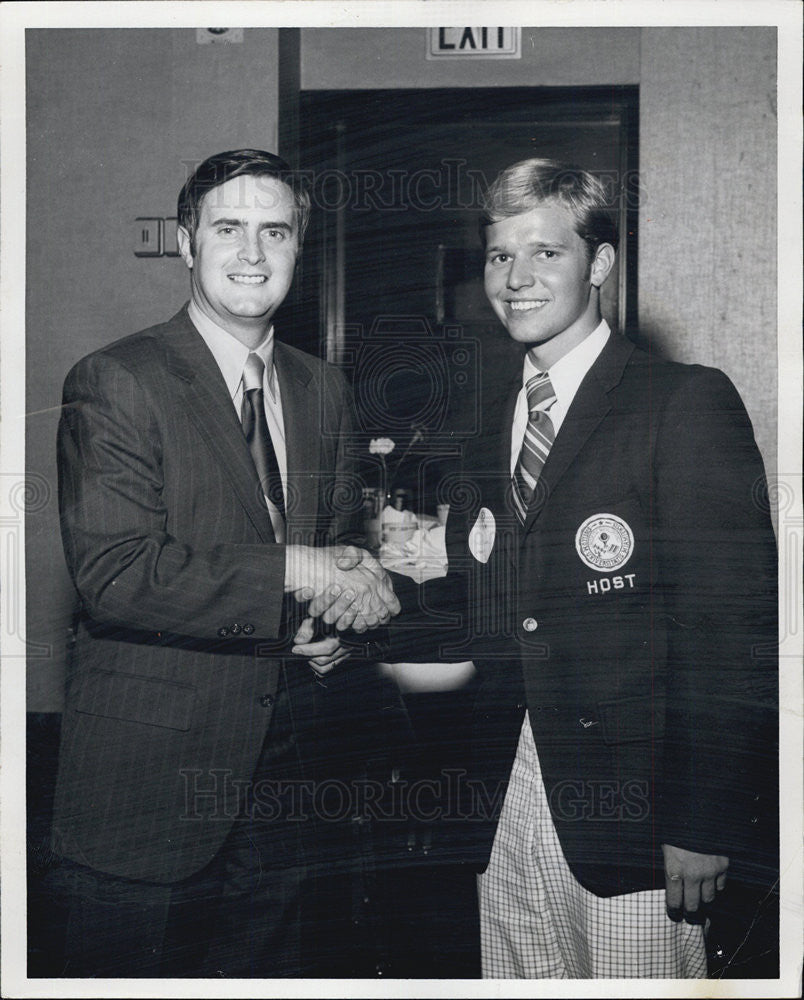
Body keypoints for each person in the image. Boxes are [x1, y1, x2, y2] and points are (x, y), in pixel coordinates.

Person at [42, 149, 400, 978]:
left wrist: (333, 621)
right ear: (185, 242)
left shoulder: (322, 389)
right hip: (146, 790)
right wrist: (304, 576)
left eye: (274, 231)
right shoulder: (116, 379)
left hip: (287, 780)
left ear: (298, 252)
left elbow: (338, 538)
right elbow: (121, 573)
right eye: (227, 228)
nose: (251, 252)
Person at [437, 158, 778, 978]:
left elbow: (732, 628)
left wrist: (702, 821)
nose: (515, 279)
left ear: (599, 264)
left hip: (635, 815)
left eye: (544, 254)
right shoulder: (485, 418)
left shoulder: (682, 402)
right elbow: (490, 598)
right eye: (497, 256)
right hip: (503, 801)